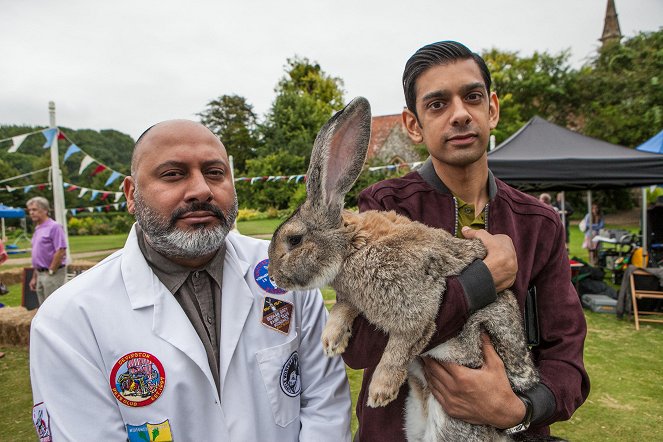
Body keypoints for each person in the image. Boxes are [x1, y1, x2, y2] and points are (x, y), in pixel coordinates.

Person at [29, 120, 351, 441]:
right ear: (131, 194)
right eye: (173, 174)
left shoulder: (283, 274)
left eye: (215, 173)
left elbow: (325, 402)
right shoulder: (68, 320)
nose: (201, 190)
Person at [343, 41, 589, 441]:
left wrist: (519, 409)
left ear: (491, 109)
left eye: (472, 97)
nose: (459, 114)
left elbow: (567, 357)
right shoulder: (385, 209)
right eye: (437, 104)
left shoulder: (538, 223)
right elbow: (361, 346)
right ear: (413, 125)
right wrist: (479, 282)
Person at [26, 196, 67, 305]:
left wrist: (51, 271)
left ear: (45, 210)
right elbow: (38, 256)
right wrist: (34, 277)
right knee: (43, 309)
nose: (31, 213)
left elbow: (61, 250)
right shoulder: (37, 228)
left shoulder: (54, 227)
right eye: (29, 210)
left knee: (53, 306)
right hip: (40, 273)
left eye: (34, 209)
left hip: (52, 273)